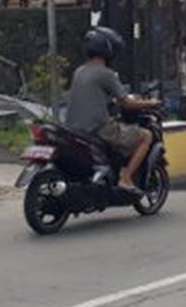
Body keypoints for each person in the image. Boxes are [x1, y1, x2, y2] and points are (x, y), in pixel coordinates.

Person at [64, 27, 159, 193]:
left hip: (74, 130)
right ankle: (126, 177)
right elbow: (126, 103)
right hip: (99, 129)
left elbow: (96, 96)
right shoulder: (106, 74)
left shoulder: (79, 72)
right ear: (109, 50)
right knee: (146, 136)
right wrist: (150, 103)